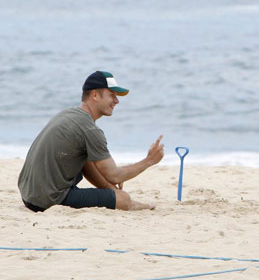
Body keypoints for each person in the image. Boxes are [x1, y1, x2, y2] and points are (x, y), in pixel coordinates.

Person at [18, 71, 164, 212]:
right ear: (94, 95)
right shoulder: (90, 129)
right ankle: (130, 203)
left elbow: (87, 166)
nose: (117, 101)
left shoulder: (68, 114)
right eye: (112, 95)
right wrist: (149, 160)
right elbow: (114, 175)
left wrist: (111, 189)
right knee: (123, 200)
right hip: (49, 199)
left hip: (29, 196)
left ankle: (120, 197)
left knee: (98, 173)